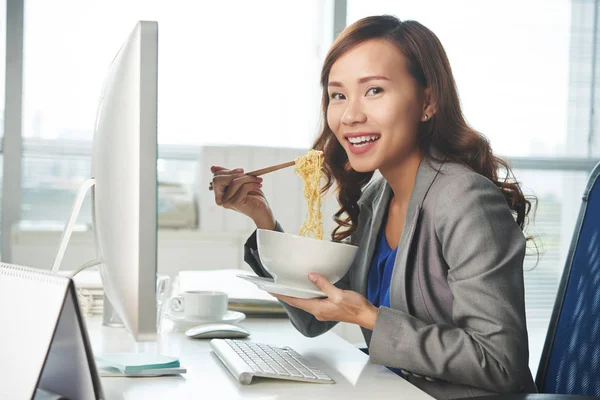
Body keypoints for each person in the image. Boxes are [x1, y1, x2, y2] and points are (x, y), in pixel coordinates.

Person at [210, 15, 537, 399]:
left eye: (375, 90)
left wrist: (369, 318)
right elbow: (316, 316)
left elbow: (501, 364)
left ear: (427, 102)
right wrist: (260, 217)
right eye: (338, 95)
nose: (350, 115)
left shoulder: (465, 201)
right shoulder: (378, 197)